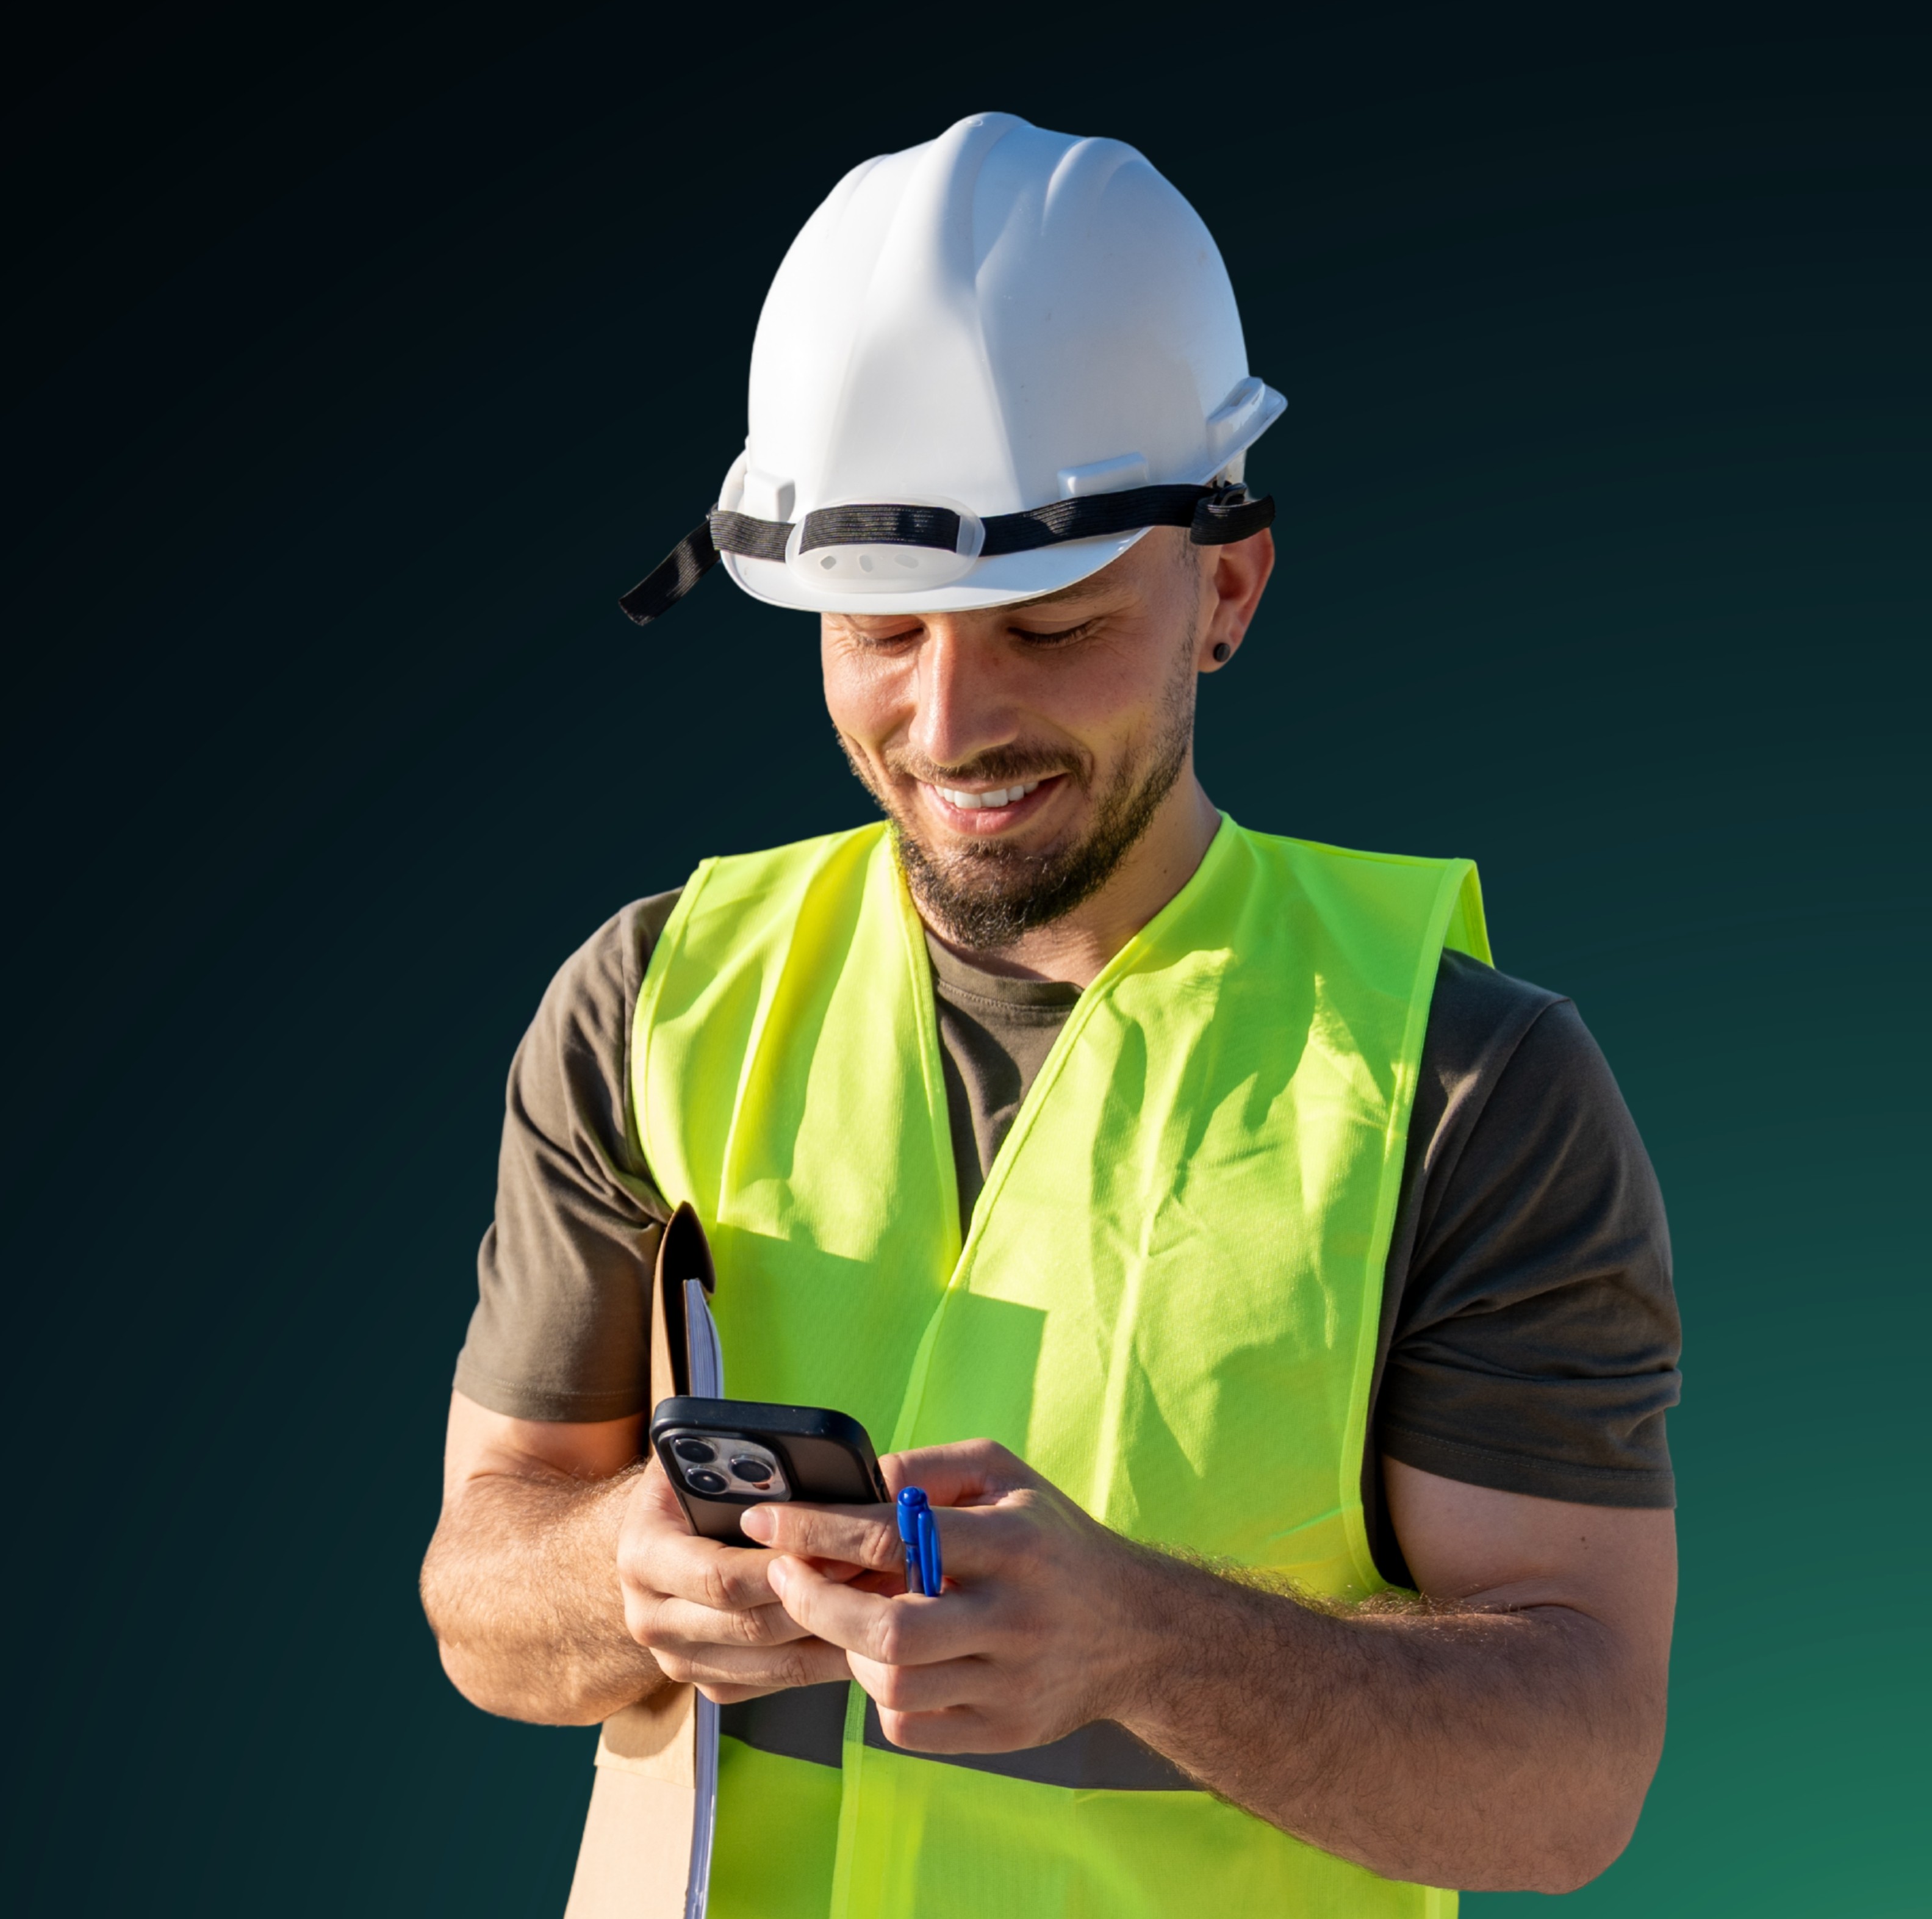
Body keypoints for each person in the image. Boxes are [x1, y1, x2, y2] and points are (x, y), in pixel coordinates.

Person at [420, 113, 1681, 1918]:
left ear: (1224, 587)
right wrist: (621, 1572)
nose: (949, 726)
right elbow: (481, 1591)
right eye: (883, 630)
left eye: (1052, 626)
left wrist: (1149, 1644)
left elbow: (1571, 1781)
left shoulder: (1464, 1083)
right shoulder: (653, 996)